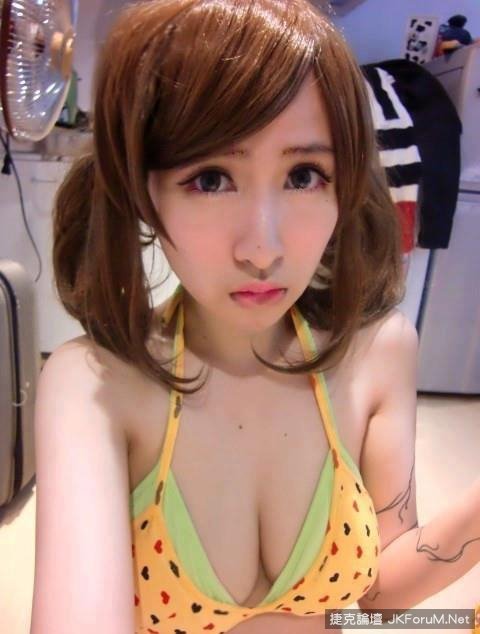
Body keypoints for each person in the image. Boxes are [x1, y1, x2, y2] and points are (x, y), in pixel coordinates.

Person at [30, 1, 480, 633]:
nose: (263, 250)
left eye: (304, 175)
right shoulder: (98, 384)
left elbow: (376, 601)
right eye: (211, 179)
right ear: (142, 189)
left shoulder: (380, 351)